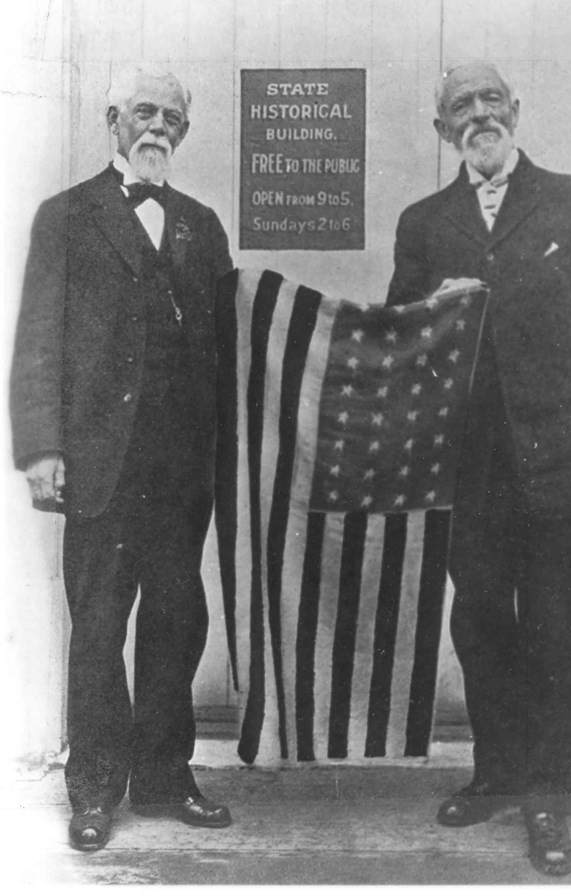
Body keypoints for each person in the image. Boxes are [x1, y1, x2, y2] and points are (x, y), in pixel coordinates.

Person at [386, 60, 571, 876]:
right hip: (469, 467)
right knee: (481, 621)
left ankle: (549, 801)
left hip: (560, 458)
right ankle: (498, 773)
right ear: (442, 130)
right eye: (461, 106)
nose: (479, 114)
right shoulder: (424, 223)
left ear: (516, 111)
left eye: (491, 100)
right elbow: (396, 340)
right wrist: (432, 310)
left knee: (556, 630)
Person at [10, 65, 234, 851]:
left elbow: (231, 342)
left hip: (179, 476)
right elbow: (37, 338)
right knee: (100, 627)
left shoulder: (202, 224)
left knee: (177, 621)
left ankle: (167, 780)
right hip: (101, 467)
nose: (158, 129)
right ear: (113, 121)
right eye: (145, 113)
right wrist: (40, 448)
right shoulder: (66, 217)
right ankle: (96, 789)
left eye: (173, 117)